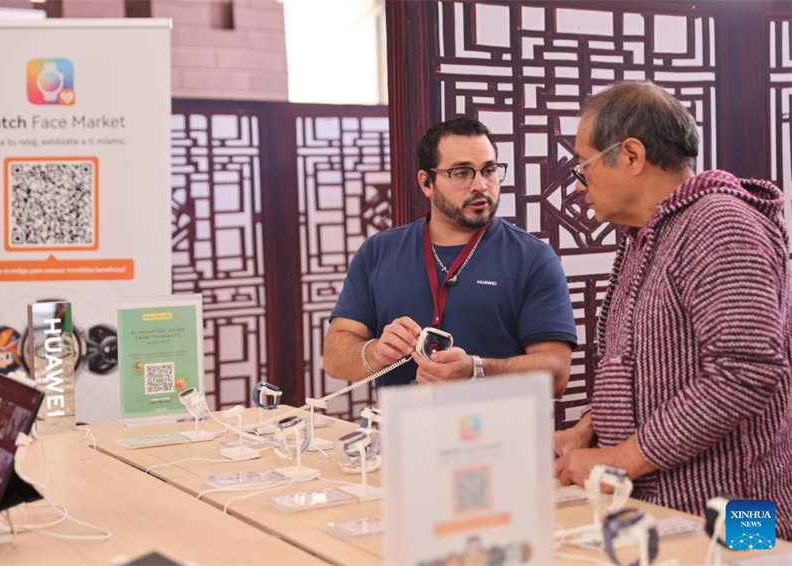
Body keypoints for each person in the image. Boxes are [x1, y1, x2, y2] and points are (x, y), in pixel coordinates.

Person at [553, 81, 792, 539]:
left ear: (631, 155)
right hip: (663, 515)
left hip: (740, 519)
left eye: (583, 166)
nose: (579, 186)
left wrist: (619, 459)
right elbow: (651, 370)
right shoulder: (647, 234)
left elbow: (746, 370)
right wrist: (589, 427)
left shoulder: (721, 224)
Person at [323, 117, 576, 395]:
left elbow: (557, 374)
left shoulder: (533, 257)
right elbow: (334, 358)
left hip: (499, 422)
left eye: (489, 170)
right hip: (404, 422)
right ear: (426, 182)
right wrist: (375, 352)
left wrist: (475, 370)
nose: (480, 185)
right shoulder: (378, 251)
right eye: (462, 173)